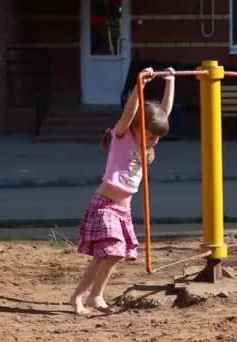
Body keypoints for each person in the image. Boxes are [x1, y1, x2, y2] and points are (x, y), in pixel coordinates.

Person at [70, 67, 175, 315]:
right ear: (137, 127)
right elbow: (130, 112)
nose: (154, 142)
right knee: (112, 253)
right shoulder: (122, 137)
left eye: (157, 139)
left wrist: (170, 82)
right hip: (105, 204)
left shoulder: (146, 144)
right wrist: (141, 86)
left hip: (122, 209)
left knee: (108, 257)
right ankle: (81, 297)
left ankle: (92, 296)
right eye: (150, 136)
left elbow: (164, 113)